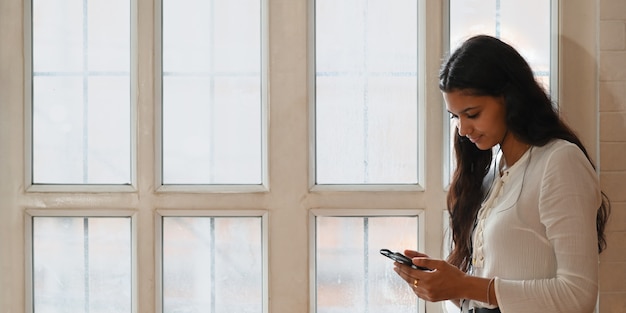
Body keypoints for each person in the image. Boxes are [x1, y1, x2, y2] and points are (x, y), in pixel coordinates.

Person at [393, 35, 610, 313]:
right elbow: (492, 299)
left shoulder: (559, 162)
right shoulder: (493, 171)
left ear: (510, 98)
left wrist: (463, 285)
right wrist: (443, 283)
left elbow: (578, 296)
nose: (462, 129)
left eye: (472, 113)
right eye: (455, 116)